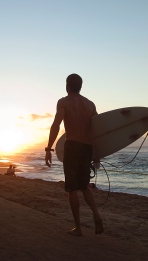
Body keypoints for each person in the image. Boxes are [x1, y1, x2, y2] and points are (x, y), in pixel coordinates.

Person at [45, 73, 103, 236]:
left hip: (72, 146)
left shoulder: (64, 102)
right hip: (87, 147)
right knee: (84, 185)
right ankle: (96, 215)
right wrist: (97, 154)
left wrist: (49, 148)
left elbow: (56, 125)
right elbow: (97, 130)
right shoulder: (90, 104)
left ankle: (78, 227)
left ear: (67, 85)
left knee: (72, 188)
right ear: (80, 86)